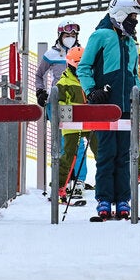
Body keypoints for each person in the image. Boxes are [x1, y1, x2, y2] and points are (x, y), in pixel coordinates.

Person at [77, 0, 140, 220]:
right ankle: (104, 199)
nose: (135, 21)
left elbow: (133, 74)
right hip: (105, 106)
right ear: (120, 15)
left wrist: (137, 92)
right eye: (132, 16)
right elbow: (84, 67)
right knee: (106, 153)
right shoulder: (101, 35)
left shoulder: (130, 42)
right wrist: (91, 91)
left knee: (125, 155)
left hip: (126, 107)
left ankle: (123, 199)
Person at [35, 20, 92, 192]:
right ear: (60, 35)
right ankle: (62, 179)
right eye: (67, 35)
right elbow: (39, 75)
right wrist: (40, 91)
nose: (70, 38)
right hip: (58, 101)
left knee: (79, 143)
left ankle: (79, 178)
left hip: (78, 101)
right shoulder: (52, 54)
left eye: (73, 35)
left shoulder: (83, 53)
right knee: (61, 143)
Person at [54, 47, 99, 203]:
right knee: (69, 155)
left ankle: (106, 186)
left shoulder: (91, 79)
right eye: (77, 67)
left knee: (102, 153)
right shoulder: (64, 82)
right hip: (72, 125)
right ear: (70, 65)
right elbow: (59, 105)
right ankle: (59, 186)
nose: (80, 70)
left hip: (91, 123)